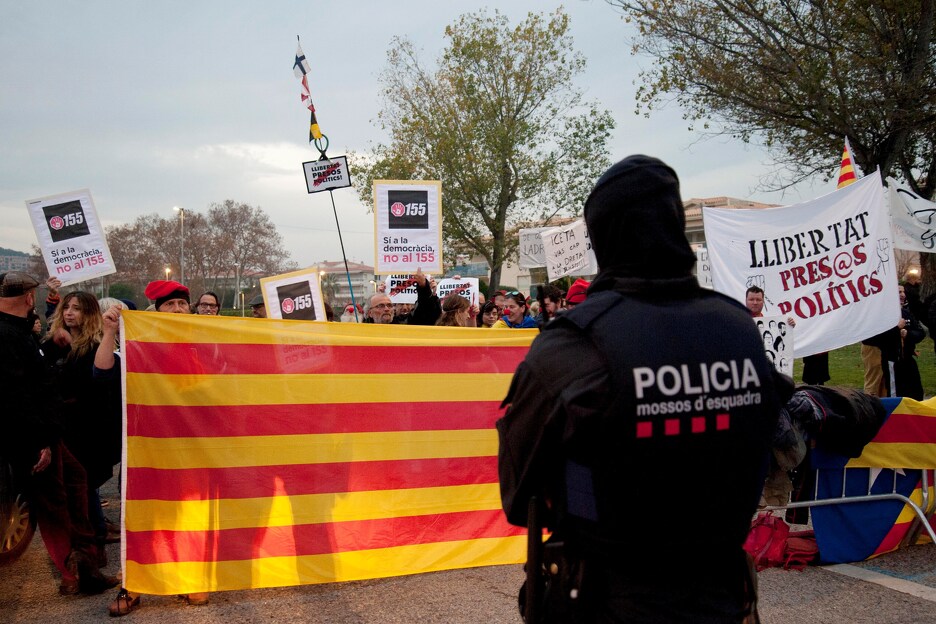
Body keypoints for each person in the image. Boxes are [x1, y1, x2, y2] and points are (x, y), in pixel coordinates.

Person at [497, 156, 793, 623]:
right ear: (675, 224)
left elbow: (519, 495)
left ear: (601, 237)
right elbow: (776, 438)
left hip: (609, 600)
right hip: (723, 597)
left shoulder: (573, 346)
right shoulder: (738, 328)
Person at [0, 272, 116, 597]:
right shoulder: (7, 336)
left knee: (77, 483)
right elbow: (16, 396)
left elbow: (33, 372)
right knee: (54, 507)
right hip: (32, 439)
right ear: (27, 298)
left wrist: (51, 348)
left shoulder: (18, 333)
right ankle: (73, 575)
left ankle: (86, 564)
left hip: (48, 433)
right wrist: (38, 442)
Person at [108, 279, 209, 616]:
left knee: (190, 514)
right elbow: (101, 372)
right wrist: (112, 331)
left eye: (183, 305)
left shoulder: (203, 343)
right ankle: (133, 584)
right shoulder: (140, 342)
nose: (178, 311)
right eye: (171, 305)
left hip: (191, 444)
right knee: (142, 515)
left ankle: (190, 579)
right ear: (157, 310)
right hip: (146, 444)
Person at [41, 292, 122, 565]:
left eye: (77, 308)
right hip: (62, 426)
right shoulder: (53, 345)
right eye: (66, 307)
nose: (69, 313)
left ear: (88, 313)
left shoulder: (94, 347)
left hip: (89, 426)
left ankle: (93, 547)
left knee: (86, 487)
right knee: (78, 490)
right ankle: (86, 548)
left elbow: (100, 383)